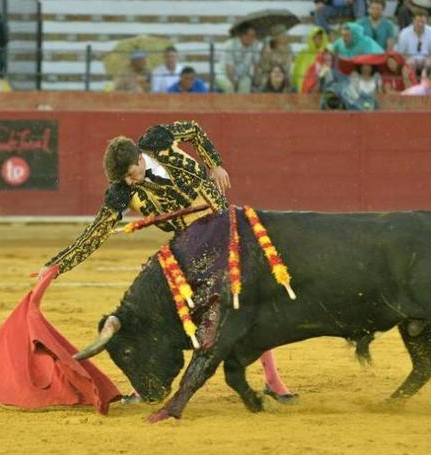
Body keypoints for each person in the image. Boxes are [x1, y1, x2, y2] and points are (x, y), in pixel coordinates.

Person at [36, 120, 297, 402]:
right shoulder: (123, 192)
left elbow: (195, 131)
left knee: (244, 301)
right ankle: (142, 385)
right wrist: (58, 264)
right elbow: (97, 233)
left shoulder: (159, 139)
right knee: (158, 309)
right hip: (192, 249)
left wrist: (215, 164)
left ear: (139, 158)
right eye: (123, 179)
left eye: (131, 174)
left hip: (227, 231)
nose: (129, 181)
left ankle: (273, 380)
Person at [215, 23, 261, 93]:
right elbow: (229, 68)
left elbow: (256, 64)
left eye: (254, 36)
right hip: (224, 75)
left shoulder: (255, 44)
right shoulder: (230, 45)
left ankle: (242, 104)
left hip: (242, 75)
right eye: (251, 35)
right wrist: (235, 83)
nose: (253, 38)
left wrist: (256, 80)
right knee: (230, 88)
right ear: (243, 35)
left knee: (247, 83)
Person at [292, 28, 328, 92]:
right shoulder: (304, 51)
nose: (317, 40)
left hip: (319, 86)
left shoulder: (326, 52)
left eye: (320, 38)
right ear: (311, 38)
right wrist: (294, 81)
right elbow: (297, 67)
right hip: (303, 84)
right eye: (315, 37)